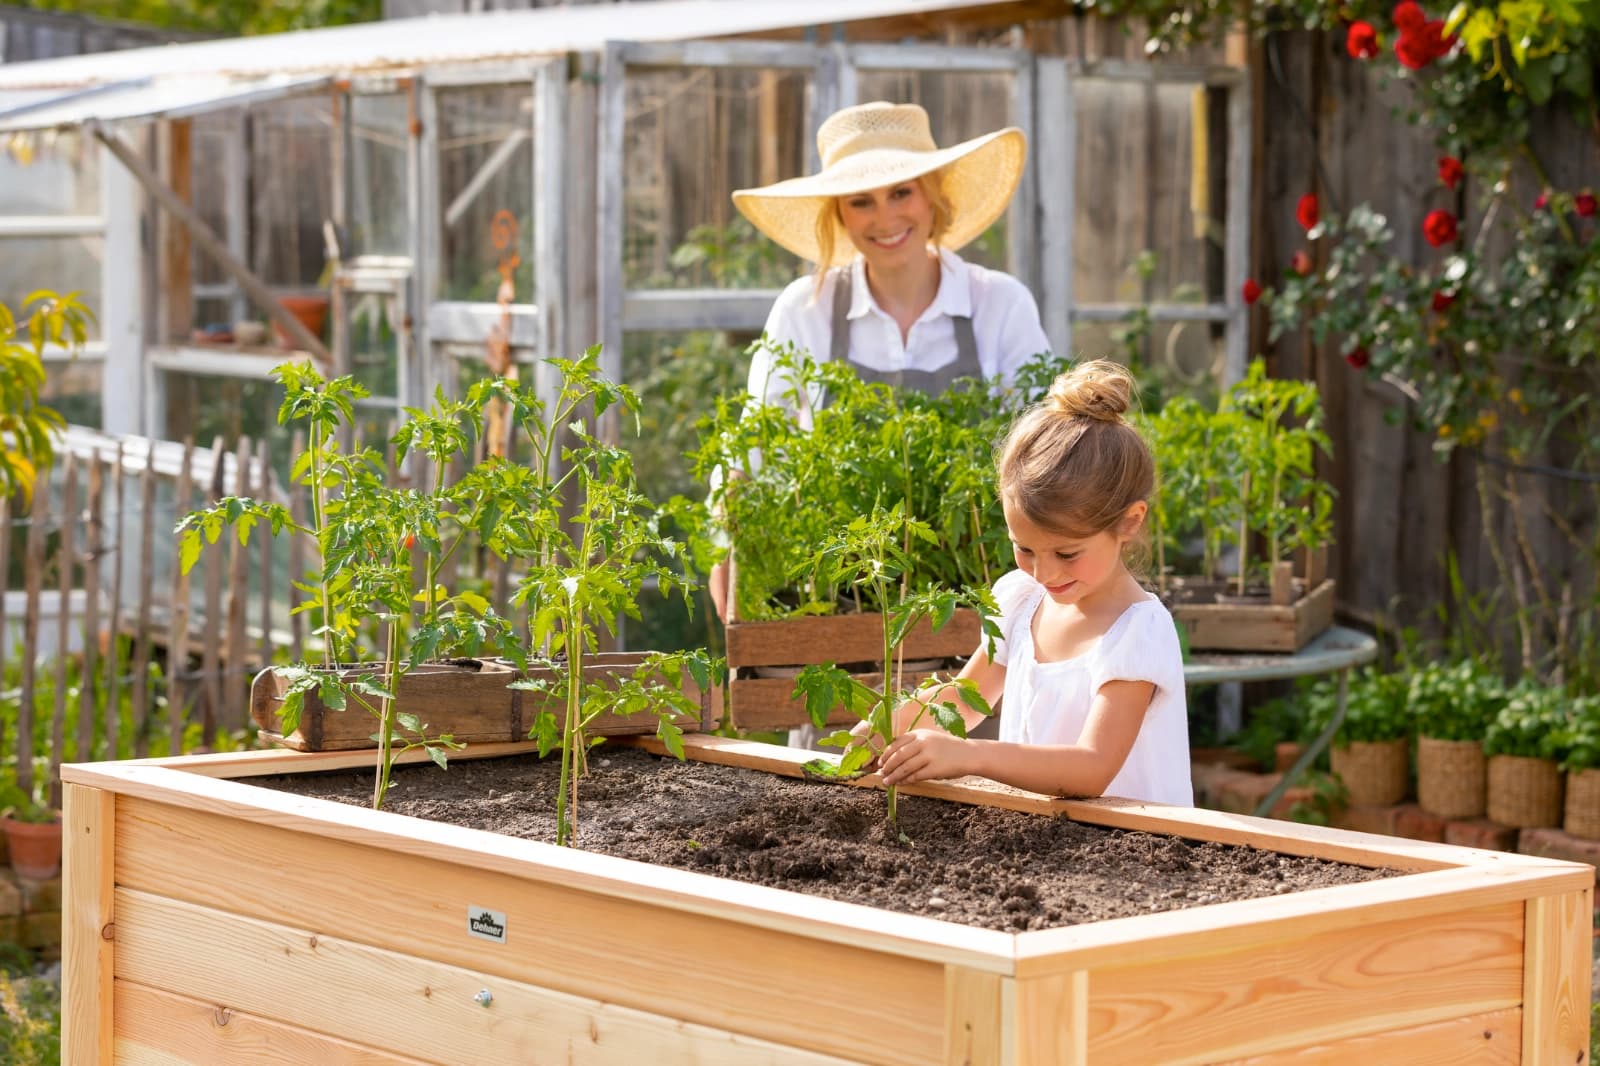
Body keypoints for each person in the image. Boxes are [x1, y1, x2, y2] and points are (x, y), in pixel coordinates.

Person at [710, 99, 1051, 621]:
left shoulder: (999, 303)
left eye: (901, 192)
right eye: (860, 201)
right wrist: (724, 542)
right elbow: (755, 446)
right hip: (837, 591)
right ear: (839, 215)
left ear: (933, 194)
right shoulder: (806, 309)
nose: (885, 217)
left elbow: (1050, 451)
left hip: (983, 589)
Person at [863, 360, 1192, 806]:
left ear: (1129, 523)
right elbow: (965, 698)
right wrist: (895, 721)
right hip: (1043, 842)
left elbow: (1092, 768)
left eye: (1067, 553)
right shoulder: (1021, 602)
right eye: (1025, 548)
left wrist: (969, 756)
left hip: (1134, 853)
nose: (1044, 573)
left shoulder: (1137, 632)